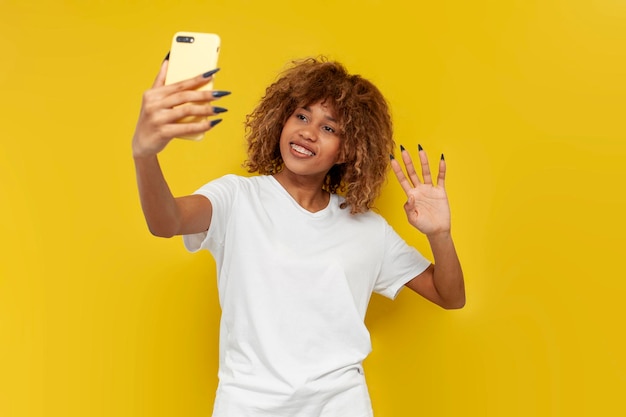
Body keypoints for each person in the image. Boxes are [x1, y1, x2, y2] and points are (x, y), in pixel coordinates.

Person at [132, 56, 465, 417]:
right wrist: (144, 154)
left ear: (349, 149)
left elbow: (450, 296)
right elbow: (165, 221)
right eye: (302, 116)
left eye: (329, 128)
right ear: (282, 119)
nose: (308, 132)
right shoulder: (237, 198)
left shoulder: (367, 229)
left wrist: (440, 235)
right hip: (248, 404)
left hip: (341, 405)